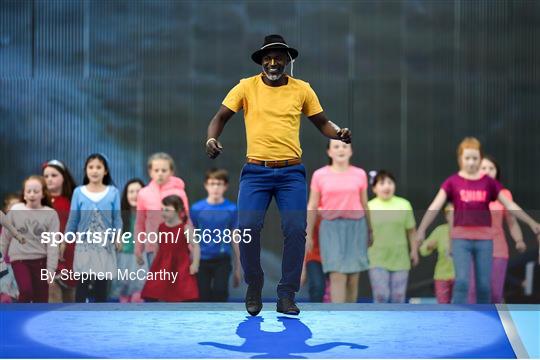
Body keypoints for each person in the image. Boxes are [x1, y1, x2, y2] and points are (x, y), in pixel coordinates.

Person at [205, 34, 351, 316]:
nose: (273, 63)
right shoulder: (246, 87)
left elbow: (322, 122)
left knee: (296, 230)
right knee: (247, 229)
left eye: (278, 58)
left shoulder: (302, 89)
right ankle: (254, 286)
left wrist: (339, 133)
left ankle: (286, 295)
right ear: (261, 61)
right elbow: (220, 117)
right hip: (256, 172)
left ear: (287, 60)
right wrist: (211, 140)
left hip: (290, 173)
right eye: (268, 58)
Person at [417, 137, 540, 304]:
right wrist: (422, 229)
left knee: (484, 286)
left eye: (475, 158)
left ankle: (484, 322)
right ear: (460, 159)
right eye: (467, 158)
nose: (471, 162)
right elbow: (435, 205)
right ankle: (458, 319)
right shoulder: (452, 182)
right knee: (462, 283)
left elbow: (510, 206)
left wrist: (531, 222)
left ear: (479, 158)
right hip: (461, 239)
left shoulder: (488, 184)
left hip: (484, 240)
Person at [307, 140, 371, 303]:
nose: (341, 149)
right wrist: (308, 234)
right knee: (337, 275)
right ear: (329, 152)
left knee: (353, 277)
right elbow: (313, 204)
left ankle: (351, 317)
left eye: (345, 146)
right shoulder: (320, 175)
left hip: (357, 227)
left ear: (351, 151)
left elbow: (364, 203)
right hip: (330, 228)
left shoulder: (360, 174)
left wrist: (370, 229)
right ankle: (339, 320)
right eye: (336, 146)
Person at [467, 155, 526, 303]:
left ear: (496, 172)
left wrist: (519, 240)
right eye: (484, 168)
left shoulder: (504, 194)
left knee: (494, 294)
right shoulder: (468, 192)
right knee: (472, 292)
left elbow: (511, 221)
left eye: (491, 168)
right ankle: (470, 324)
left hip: (498, 250)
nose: (487, 171)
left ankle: (493, 324)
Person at [66, 153, 122, 302]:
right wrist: (66, 240)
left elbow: (117, 218)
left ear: (105, 171)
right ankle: (80, 317)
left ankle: (100, 320)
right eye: (91, 167)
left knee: (101, 285)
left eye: (99, 167)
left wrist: (117, 237)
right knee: (83, 283)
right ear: (86, 170)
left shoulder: (113, 192)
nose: (94, 170)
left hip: (105, 246)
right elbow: (73, 219)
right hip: (84, 245)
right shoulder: (78, 192)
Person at [0, 176, 60, 302]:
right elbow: (5, 237)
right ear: (24, 194)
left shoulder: (51, 214)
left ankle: (40, 321)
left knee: (42, 297)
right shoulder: (15, 211)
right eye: (29, 191)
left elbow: (53, 244)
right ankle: (20, 318)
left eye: (36, 191)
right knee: (26, 291)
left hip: (41, 261)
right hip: (19, 259)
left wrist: (51, 269)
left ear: (43, 194)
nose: (32, 194)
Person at [368, 170, 419, 303]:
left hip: (400, 260)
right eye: (382, 183)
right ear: (374, 188)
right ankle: (380, 323)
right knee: (381, 296)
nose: (387, 186)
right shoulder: (369, 207)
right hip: (376, 259)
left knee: (398, 298)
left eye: (390, 182)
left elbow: (411, 231)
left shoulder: (404, 204)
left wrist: (414, 251)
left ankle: (397, 324)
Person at [191, 168, 241, 302]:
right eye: (212, 183)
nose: (215, 188)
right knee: (203, 296)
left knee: (220, 293)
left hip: (222, 259)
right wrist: (192, 262)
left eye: (219, 184)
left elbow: (235, 238)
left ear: (225, 186)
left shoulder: (231, 209)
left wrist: (238, 267)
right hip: (201, 260)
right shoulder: (196, 209)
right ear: (206, 185)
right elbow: (191, 237)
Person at [135, 153, 190, 268]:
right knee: (157, 283)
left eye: (164, 170)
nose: (160, 174)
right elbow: (140, 223)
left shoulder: (179, 193)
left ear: (171, 172)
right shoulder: (143, 194)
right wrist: (138, 248)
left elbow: (186, 220)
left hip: (176, 247)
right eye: (156, 170)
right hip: (152, 248)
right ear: (150, 172)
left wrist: (191, 246)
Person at [141, 195, 199, 302]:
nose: (163, 213)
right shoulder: (161, 227)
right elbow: (158, 246)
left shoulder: (185, 228)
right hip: (162, 264)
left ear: (178, 210)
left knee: (183, 290)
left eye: (167, 210)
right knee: (156, 291)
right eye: (162, 209)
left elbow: (196, 246)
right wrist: (154, 263)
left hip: (181, 265)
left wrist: (195, 264)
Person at [42, 159, 78, 303]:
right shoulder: (39, 203)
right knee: (53, 298)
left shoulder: (73, 201)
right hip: (47, 257)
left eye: (54, 175)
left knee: (71, 301)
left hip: (71, 256)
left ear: (64, 177)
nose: (49, 179)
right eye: (46, 176)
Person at [111, 178, 147, 303]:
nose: (135, 195)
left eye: (138, 191)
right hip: (123, 259)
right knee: (123, 295)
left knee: (139, 295)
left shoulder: (150, 215)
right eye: (131, 191)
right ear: (126, 195)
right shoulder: (119, 216)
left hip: (142, 260)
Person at [419, 204, 455, 304]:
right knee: (442, 307)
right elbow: (423, 250)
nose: (453, 216)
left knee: (461, 307)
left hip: (460, 277)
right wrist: (428, 246)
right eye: (450, 214)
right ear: (446, 216)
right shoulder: (440, 230)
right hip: (441, 276)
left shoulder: (465, 231)